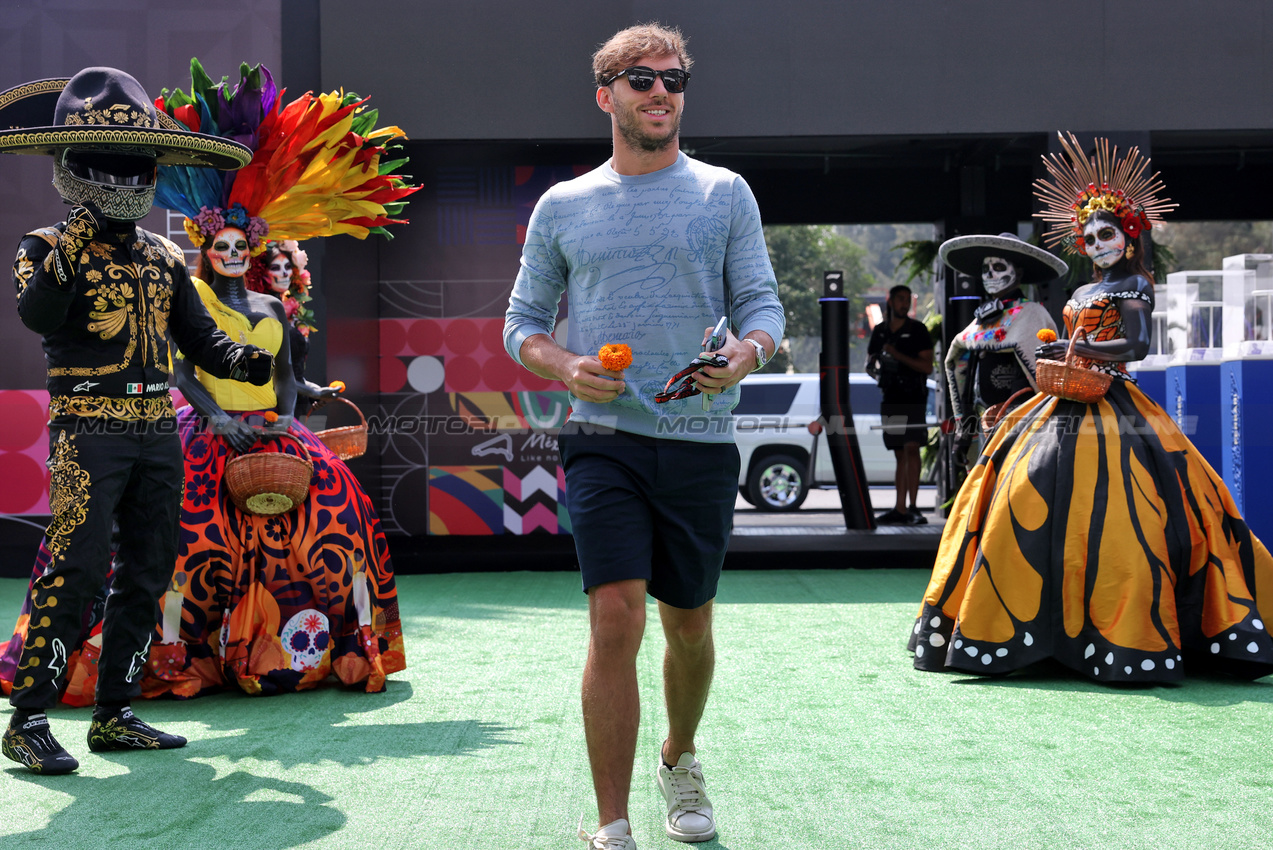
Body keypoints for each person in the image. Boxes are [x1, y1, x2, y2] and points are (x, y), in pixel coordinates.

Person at [503, 23, 784, 850]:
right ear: (606, 95)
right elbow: (521, 324)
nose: (660, 91)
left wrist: (745, 353)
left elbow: (763, 306)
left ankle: (679, 755)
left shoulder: (724, 192)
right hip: (601, 437)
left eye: (674, 78)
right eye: (640, 78)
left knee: (687, 623)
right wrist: (563, 365)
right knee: (614, 617)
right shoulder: (562, 205)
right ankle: (611, 820)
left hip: (699, 438)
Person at [909, 133, 1273, 683]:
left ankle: (1130, 630)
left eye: (1106, 234)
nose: (1097, 243)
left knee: (1133, 513)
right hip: (1062, 398)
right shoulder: (1079, 295)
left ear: (1127, 237)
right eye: (1088, 237)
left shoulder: (1133, 284)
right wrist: (1060, 355)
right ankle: (1025, 625)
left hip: (1115, 403)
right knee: (1020, 494)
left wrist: (1073, 349)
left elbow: (1137, 346)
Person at [0, 67, 272, 775]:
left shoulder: (163, 254)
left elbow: (197, 338)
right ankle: (28, 718)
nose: (125, 181)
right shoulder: (41, 247)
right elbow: (37, 316)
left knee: (149, 568)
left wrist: (240, 360)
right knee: (79, 565)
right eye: (109, 168)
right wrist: (79, 234)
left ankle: (115, 711)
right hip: (87, 430)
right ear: (72, 167)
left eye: (136, 167)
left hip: (157, 429)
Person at [939, 233, 1062, 462]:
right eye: (985, 268)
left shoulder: (1033, 314)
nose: (990, 274)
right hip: (982, 424)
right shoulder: (981, 319)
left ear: (1019, 272)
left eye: (998, 266)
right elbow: (964, 370)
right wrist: (963, 432)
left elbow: (1046, 375)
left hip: (1023, 423)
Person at [866, 285, 934, 524]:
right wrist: (877, 363)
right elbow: (870, 364)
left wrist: (896, 354)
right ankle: (900, 509)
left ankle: (914, 507)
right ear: (891, 302)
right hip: (890, 397)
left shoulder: (918, 330)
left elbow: (928, 367)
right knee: (899, 454)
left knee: (912, 448)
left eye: (908, 299)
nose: (904, 304)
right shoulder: (881, 331)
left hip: (914, 396)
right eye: (900, 299)